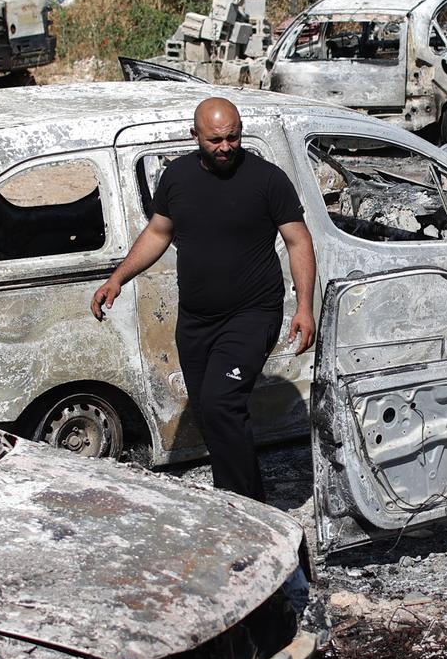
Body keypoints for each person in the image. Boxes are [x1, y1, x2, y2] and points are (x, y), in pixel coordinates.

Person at [90, 96, 316, 502]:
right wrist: (118, 279)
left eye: (233, 137)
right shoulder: (177, 177)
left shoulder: (267, 179)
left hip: (252, 313)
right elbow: (159, 233)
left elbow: (298, 239)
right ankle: (237, 496)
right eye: (215, 140)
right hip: (196, 320)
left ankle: (246, 505)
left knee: (220, 402)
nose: (226, 147)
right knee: (210, 412)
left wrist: (303, 306)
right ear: (195, 136)